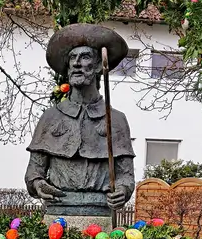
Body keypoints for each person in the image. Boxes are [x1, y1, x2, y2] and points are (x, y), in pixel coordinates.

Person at [24, 23, 136, 216]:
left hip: (100, 215)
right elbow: (34, 171)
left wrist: (123, 190)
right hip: (57, 213)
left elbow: (125, 175)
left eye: (84, 57)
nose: (76, 63)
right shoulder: (50, 117)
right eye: (72, 58)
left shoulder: (116, 120)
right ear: (67, 68)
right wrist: (38, 184)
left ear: (99, 66)